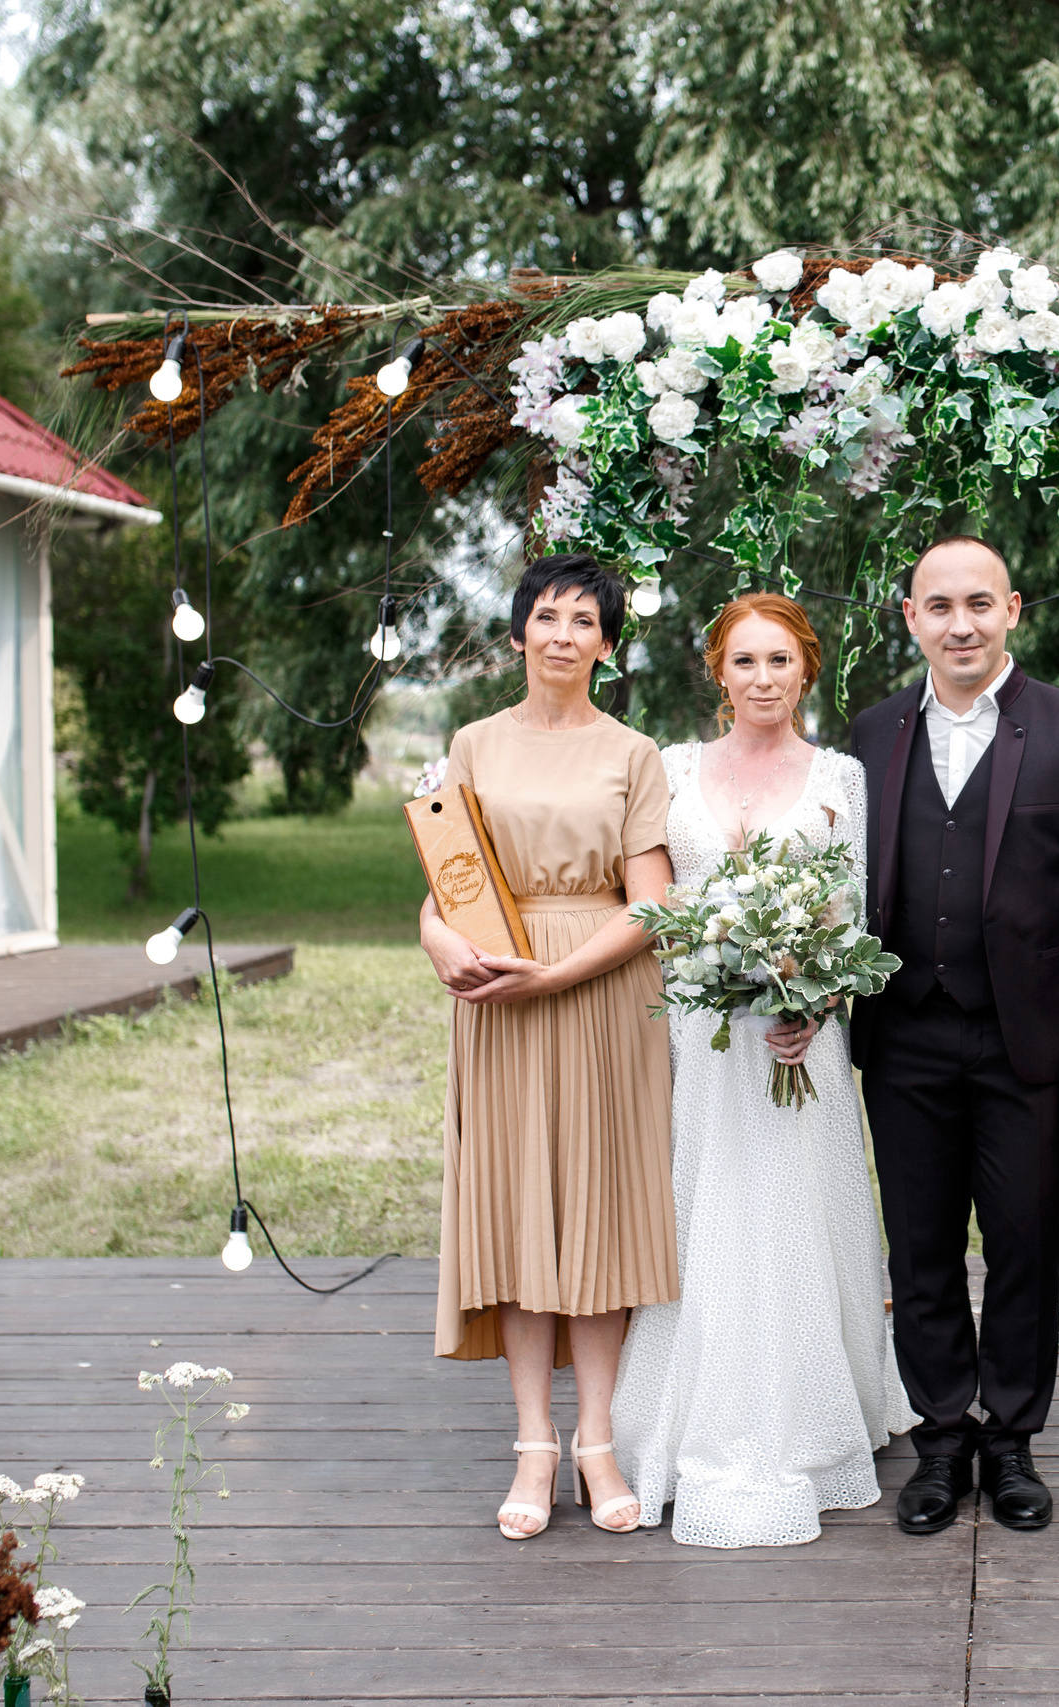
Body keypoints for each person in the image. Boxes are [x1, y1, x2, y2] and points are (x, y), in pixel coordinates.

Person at [614, 594, 919, 1547]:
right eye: (743, 661)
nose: (762, 679)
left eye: (779, 661)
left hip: (801, 1036)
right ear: (716, 670)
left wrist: (815, 1001)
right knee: (711, 1207)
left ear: (806, 669)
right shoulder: (670, 769)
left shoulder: (842, 774)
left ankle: (816, 1409)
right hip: (705, 1035)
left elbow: (851, 908)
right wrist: (720, 970)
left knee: (797, 1210)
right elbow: (659, 907)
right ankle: (701, 1408)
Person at [847, 535, 1059, 1538]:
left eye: (979, 603)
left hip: (1029, 1049)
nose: (960, 623)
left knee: (1022, 1244)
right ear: (910, 617)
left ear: (1012, 608)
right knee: (919, 1249)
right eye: (939, 606)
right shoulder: (870, 732)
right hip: (904, 1041)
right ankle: (938, 1440)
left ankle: (1009, 1440)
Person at [422, 552, 678, 1542]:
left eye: (584, 620)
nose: (563, 633)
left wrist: (559, 975)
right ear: (520, 633)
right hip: (495, 987)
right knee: (523, 1211)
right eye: (547, 616)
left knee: (600, 1213)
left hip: (602, 989)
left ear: (606, 645)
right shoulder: (473, 743)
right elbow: (446, 885)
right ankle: (534, 1444)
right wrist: (440, 939)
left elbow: (652, 903)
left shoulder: (633, 753)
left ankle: (596, 1441)